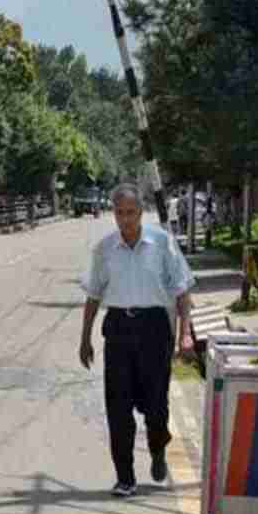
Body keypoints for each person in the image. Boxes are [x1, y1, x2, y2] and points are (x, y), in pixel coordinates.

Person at [80, 183, 195, 497]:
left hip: (154, 329)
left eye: (131, 213)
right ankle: (125, 477)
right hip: (117, 328)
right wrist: (85, 338)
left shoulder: (162, 243)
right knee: (118, 407)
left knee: (156, 406)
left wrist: (185, 334)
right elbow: (93, 295)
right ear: (114, 214)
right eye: (119, 213)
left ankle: (158, 447)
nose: (125, 220)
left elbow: (183, 291)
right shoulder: (104, 249)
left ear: (140, 213)